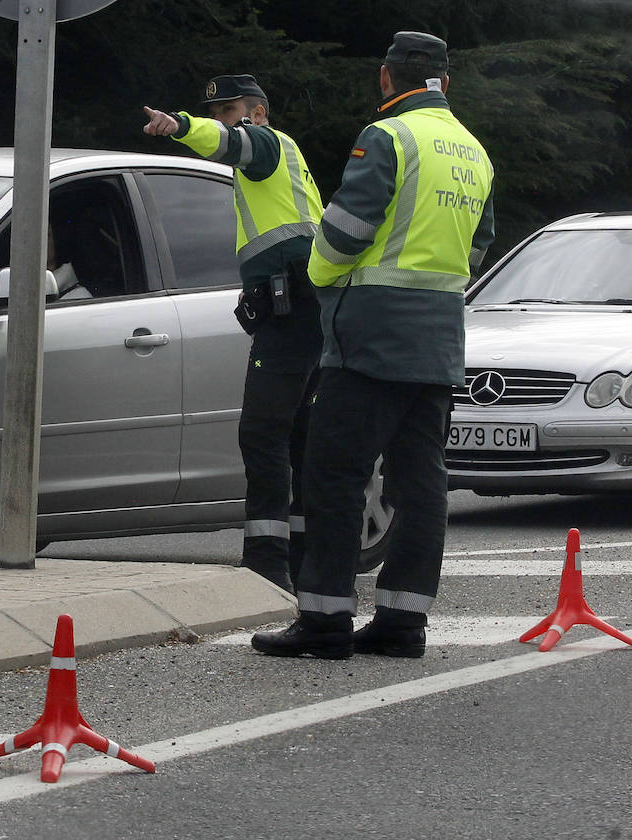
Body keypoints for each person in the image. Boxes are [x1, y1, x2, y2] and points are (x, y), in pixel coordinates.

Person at [251, 31, 496, 659]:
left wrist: (320, 277)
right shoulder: (473, 152)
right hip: (438, 339)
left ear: (387, 79)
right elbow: (475, 246)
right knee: (421, 484)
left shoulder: (387, 136)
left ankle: (326, 620)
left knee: (333, 476)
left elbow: (343, 232)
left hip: (369, 338)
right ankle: (402, 622)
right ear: (448, 83)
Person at [142, 75, 323, 592]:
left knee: (264, 432)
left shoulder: (265, 144)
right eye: (214, 111)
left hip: (292, 312)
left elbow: (233, 142)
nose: (222, 119)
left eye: (230, 109)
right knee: (297, 436)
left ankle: (267, 566)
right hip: (303, 309)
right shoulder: (278, 163)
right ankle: (308, 561)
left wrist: (179, 126)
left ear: (258, 111)